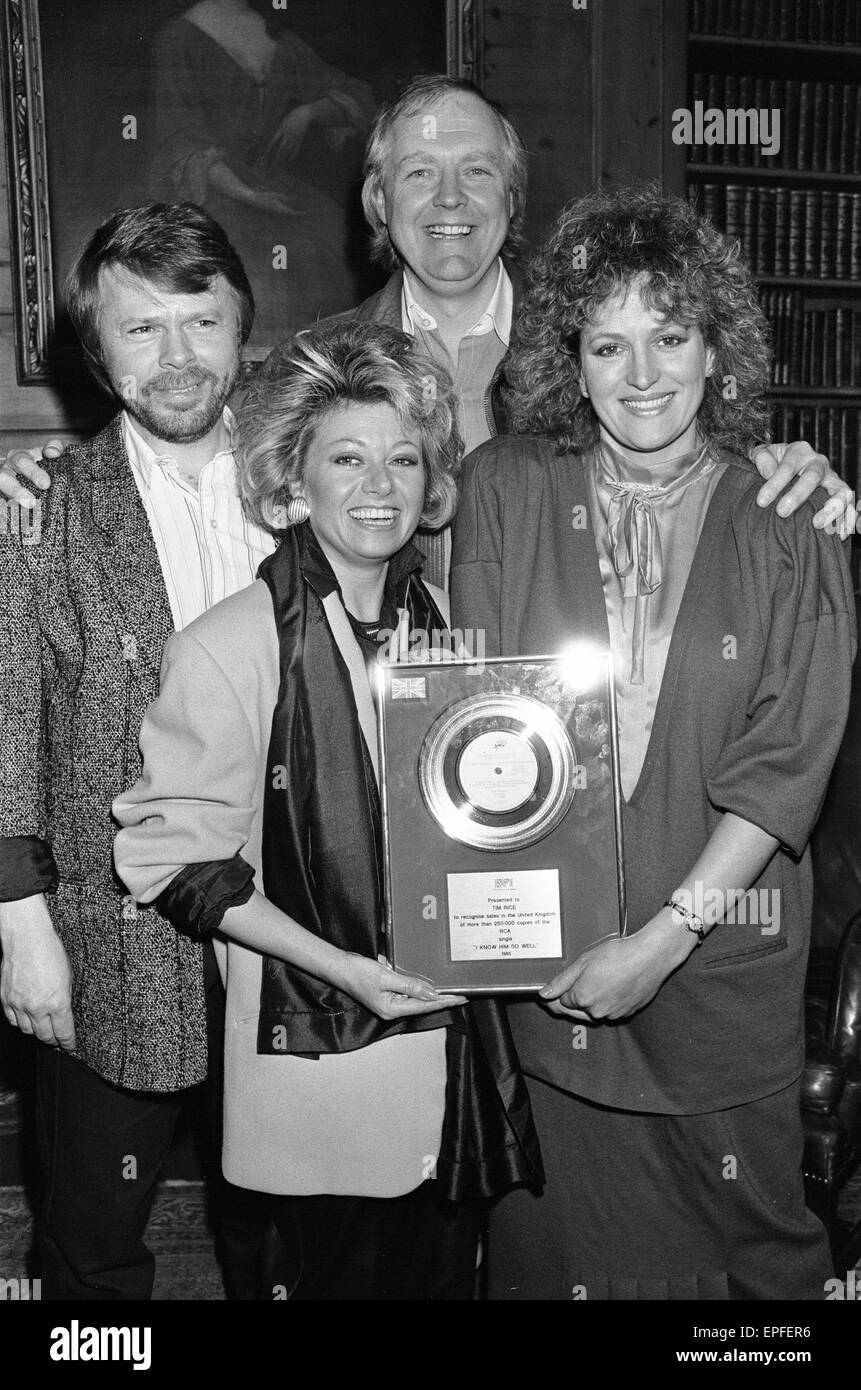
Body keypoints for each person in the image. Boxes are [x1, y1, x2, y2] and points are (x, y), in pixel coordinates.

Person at [450, 186, 856, 1300]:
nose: (641, 374)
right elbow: (462, 716)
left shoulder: (793, 518)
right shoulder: (502, 489)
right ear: (566, 362)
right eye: (608, 342)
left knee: (750, 1282)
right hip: (549, 976)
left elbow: (788, 768)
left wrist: (662, 942)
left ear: (716, 350)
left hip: (718, 979)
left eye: (670, 337)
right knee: (552, 1268)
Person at [112, 321, 540, 1301]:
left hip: (446, 1057)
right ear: (293, 479)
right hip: (313, 1065)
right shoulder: (233, 644)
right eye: (346, 457)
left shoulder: (445, 629)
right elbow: (172, 861)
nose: (380, 484)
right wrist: (348, 970)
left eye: (403, 457)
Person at [2, 77, 853, 558]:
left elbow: (699, 461)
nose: (449, 199)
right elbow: (188, 436)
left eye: (476, 171)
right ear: (378, 196)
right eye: (418, 174)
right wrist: (42, 473)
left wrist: (788, 468)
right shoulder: (315, 361)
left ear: (511, 195)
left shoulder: (600, 347)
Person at [0, 203, 283, 1299]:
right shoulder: (43, 511)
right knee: (92, 1246)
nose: (177, 358)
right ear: (95, 351)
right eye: (140, 329)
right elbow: (7, 724)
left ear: (242, 326)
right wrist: (21, 930)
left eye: (200, 322)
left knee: (281, 1230)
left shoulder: (315, 478)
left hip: (291, 925)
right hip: (112, 945)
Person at [150, 0, 375, 345]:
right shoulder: (178, 38)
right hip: (213, 193)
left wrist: (307, 113)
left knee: (336, 246)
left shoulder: (278, 37)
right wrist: (248, 195)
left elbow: (357, 95)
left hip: (270, 182)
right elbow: (181, 140)